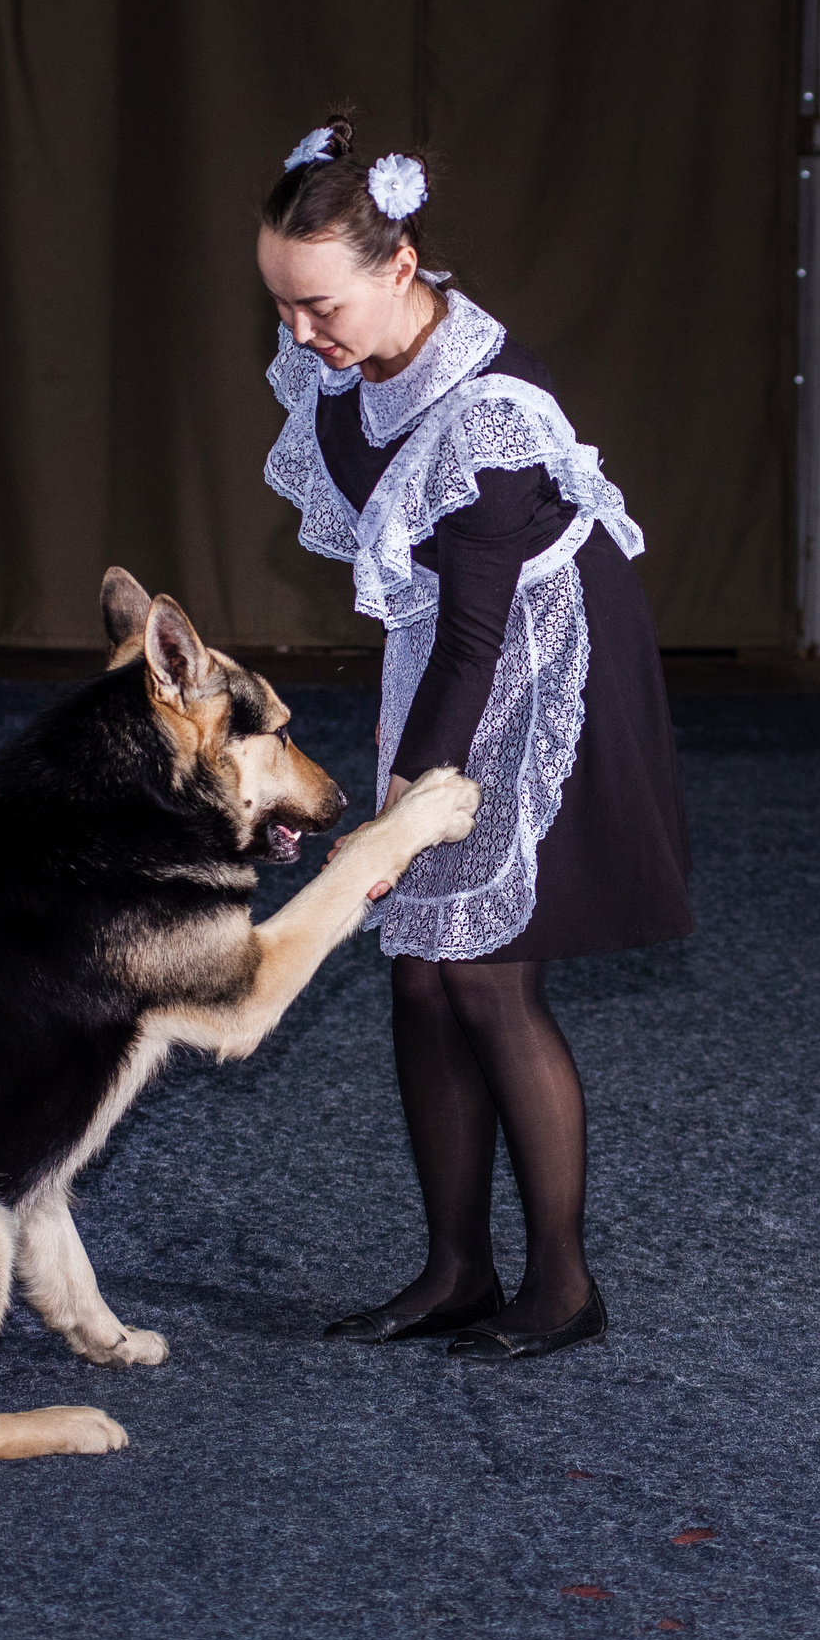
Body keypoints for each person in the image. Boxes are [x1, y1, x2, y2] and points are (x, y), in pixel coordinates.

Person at [256, 118, 694, 1363]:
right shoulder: (344, 353)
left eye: (317, 306)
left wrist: (395, 818)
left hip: (539, 656)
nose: (300, 335)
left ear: (401, 269)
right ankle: (454, 1269)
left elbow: (479, 643)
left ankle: (562, 1285)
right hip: (448, 649)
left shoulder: (489, 416)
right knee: (416, 973)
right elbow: (427, 611)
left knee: (486, 972)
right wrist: (387, 820)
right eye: (281, 307)